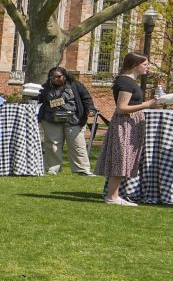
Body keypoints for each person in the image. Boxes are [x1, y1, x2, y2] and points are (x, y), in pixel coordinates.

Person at [99, 51, 159, 206]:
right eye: (145, 64)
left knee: (125, 158)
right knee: (121, 158)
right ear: (134, 65)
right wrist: (147, 105)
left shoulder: (129, 82)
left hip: (131, 123)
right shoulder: (125, 82)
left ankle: (114, 195)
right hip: (124, 124)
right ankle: (112, 197)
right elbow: (121, 108)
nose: (148, 68)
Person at [38, 65, 96, 177]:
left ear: (64, 76)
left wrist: (90, 110)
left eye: (58, 77)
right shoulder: (45, 88)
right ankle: (52, 169)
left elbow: (86, 98)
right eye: (52, 77)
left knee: (77, 144)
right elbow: (40, 102)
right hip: (51, 120)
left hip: (74, 120)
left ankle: (82, 169)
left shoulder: (76, 85)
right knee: (52, 145)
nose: (55, 79)